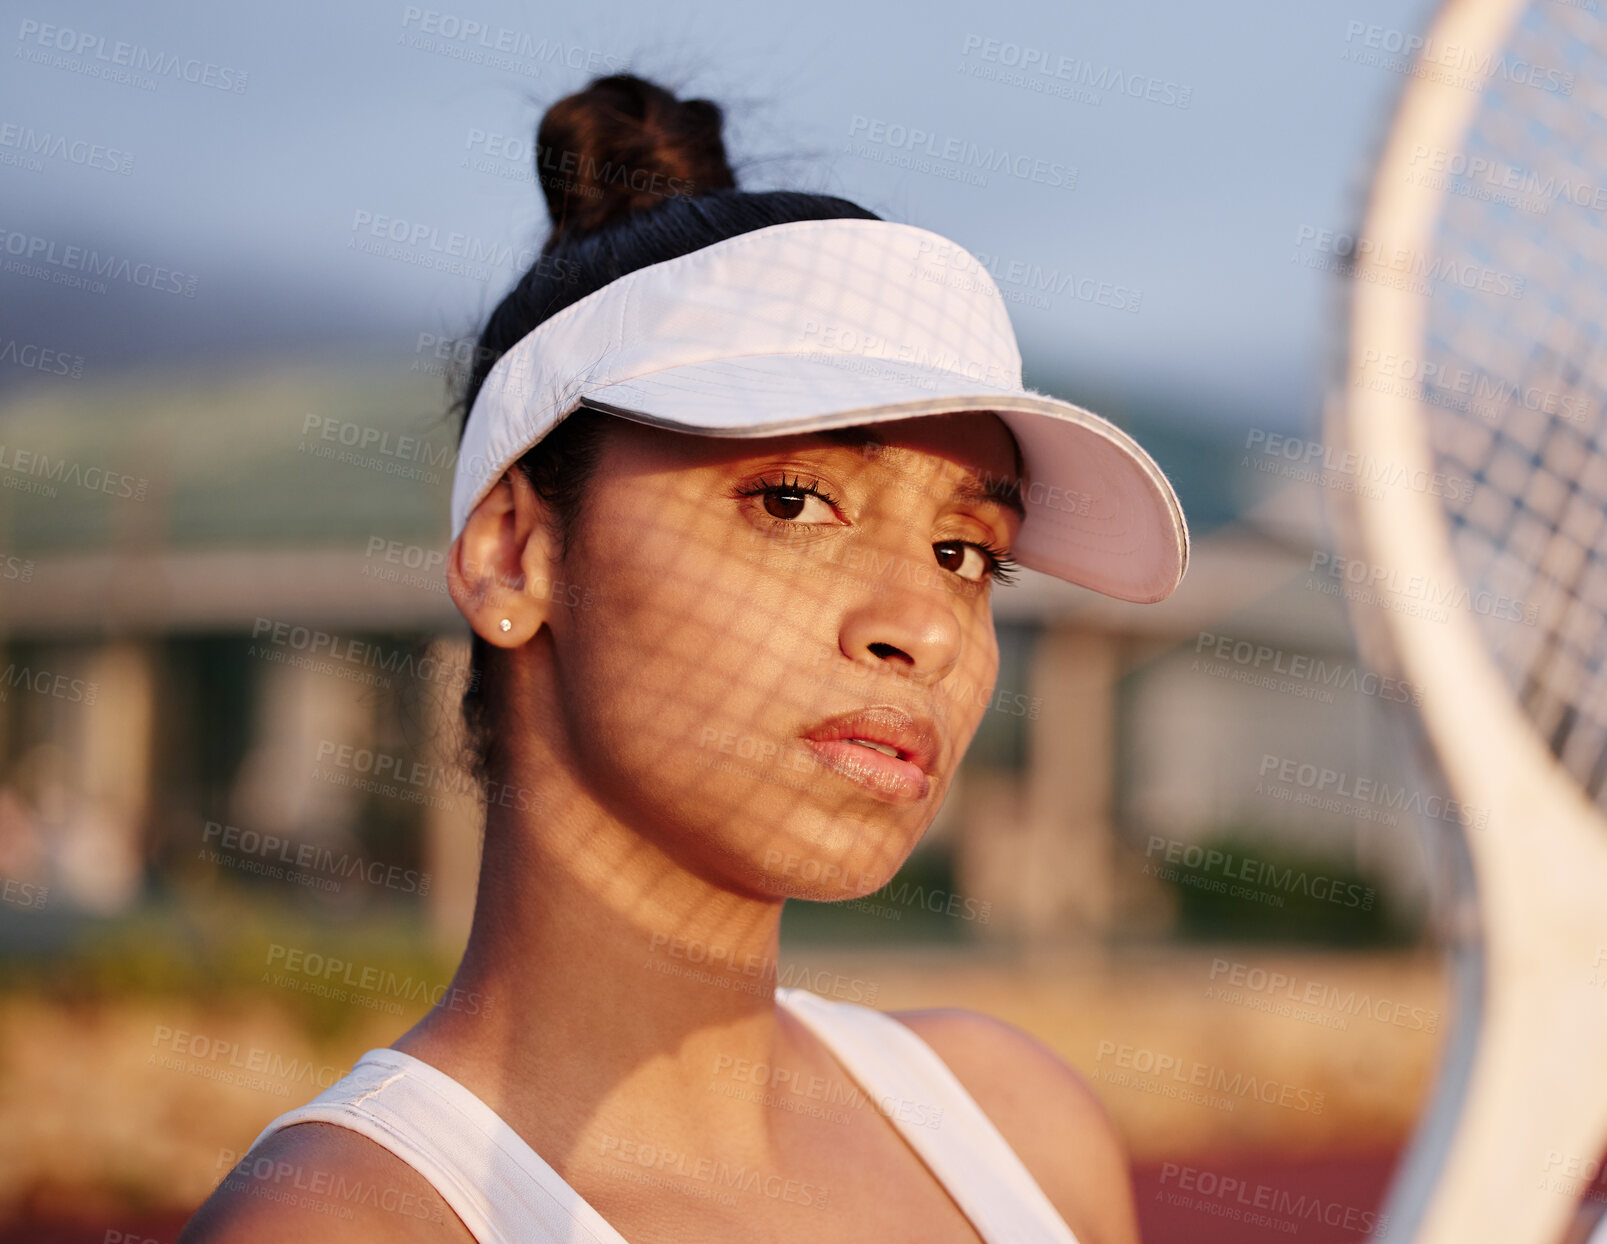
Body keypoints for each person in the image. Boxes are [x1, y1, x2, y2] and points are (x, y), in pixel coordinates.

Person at [179, 73, 1188, 1244]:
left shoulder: (1017, 1129)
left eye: (965, 551)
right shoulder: (350, 1225)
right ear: (514, 552)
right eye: (795, 500)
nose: (921, 624)